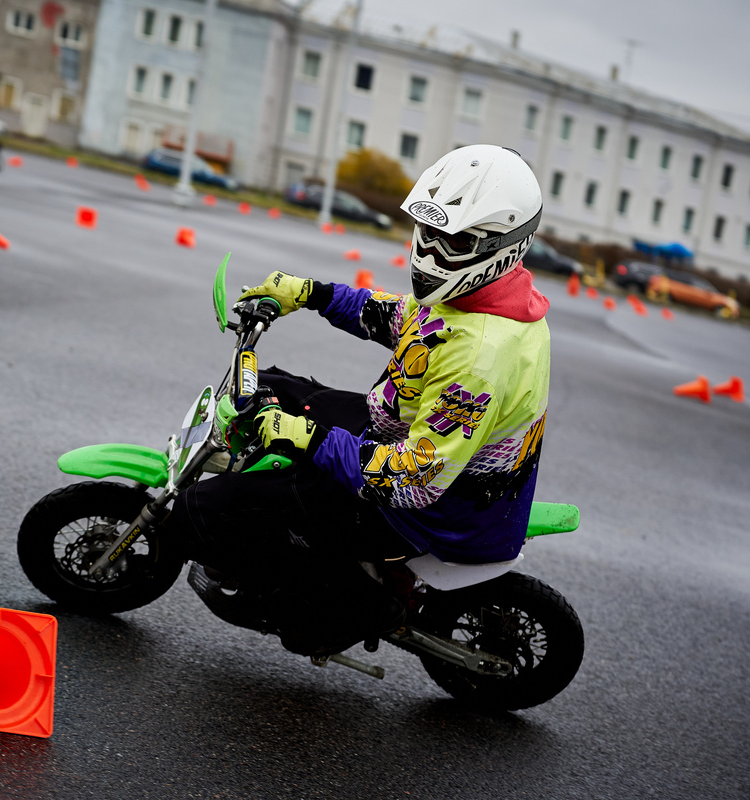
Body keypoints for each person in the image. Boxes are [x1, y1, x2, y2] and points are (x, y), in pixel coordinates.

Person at [173, 144, 551, 657]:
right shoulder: (480, 299)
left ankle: (349, 607)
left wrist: (309, 439)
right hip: (399, 438)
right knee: (271, 388)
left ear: (505, 244)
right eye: (428, 233)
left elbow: (413, 481)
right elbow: (400, 318)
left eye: (456, 242)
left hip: (430, 505)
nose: (432, 254)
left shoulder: (481, 355)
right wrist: (311, 293)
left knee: (203, 512)